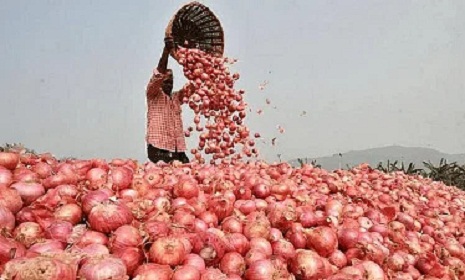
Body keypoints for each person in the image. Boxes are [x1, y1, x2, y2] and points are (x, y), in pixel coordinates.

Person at [145, 37, 190, 164]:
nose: (169, 84)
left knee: (185, 178)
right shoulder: (153, 94)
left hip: (178, 150)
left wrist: (201, 68)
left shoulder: (176, 98)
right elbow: (159, 73)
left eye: (171, 82)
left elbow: (193, 87)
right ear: (160, 83)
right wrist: (166, 51)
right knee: (163, 178)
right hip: (158, 148)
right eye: (166, 82)